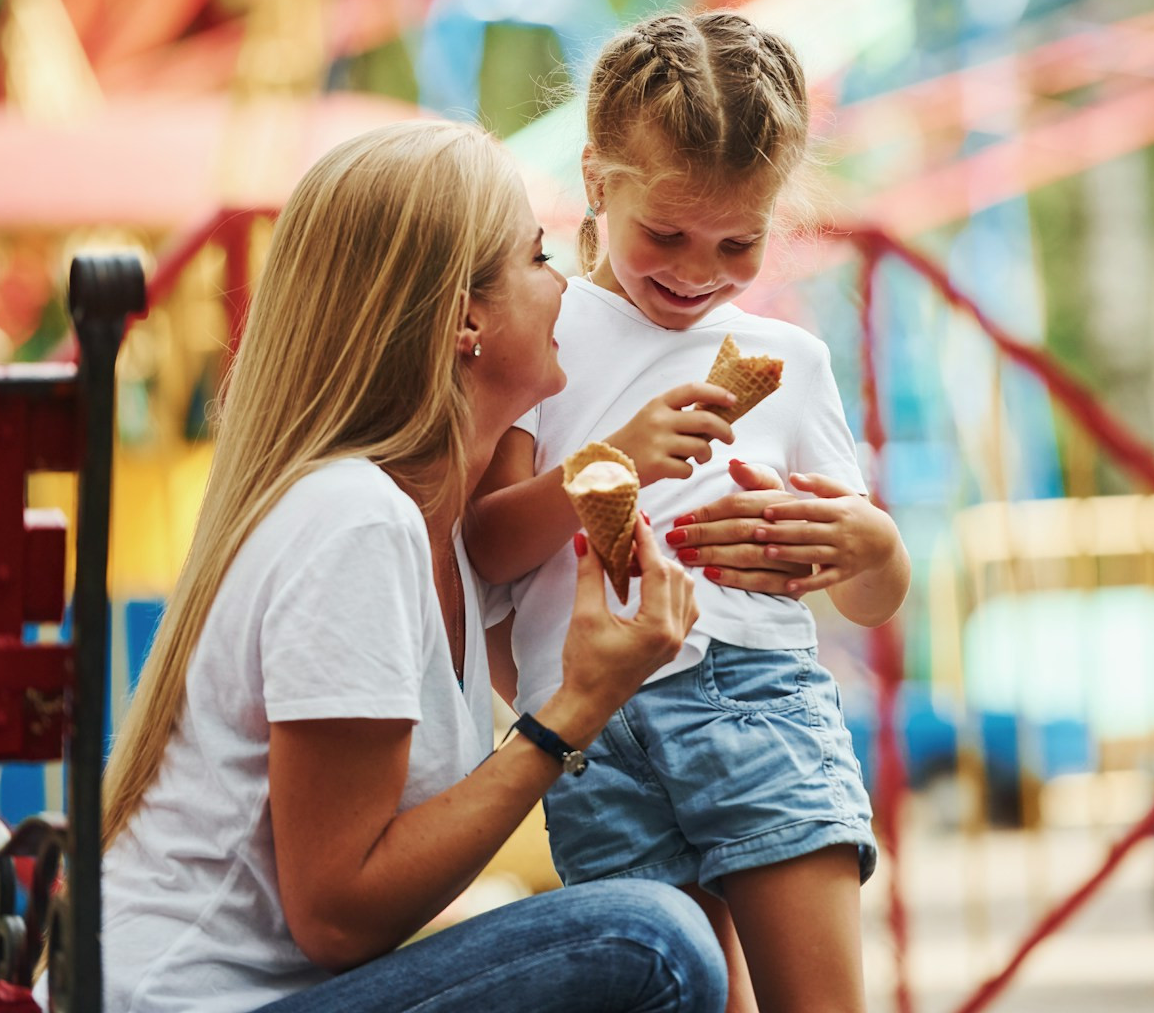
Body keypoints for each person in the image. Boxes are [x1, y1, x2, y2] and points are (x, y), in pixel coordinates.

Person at [96, 121, 726, 1013]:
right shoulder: (356, 522)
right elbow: (338, 917)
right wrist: (578, 705)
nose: (567, 288)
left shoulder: (445, 541)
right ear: (465, 319)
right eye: (538, 258)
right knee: (650, 944)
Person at [465, 11, 911, 1013]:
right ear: (596, 182)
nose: (697, 268)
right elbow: (488, 548)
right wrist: (609, 459)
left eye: (737, 242)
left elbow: (874, 595)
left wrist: (873, 545)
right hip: (590, 727)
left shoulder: (791, 365)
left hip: (754, 692)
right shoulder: (545, 330)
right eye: (664, 233)